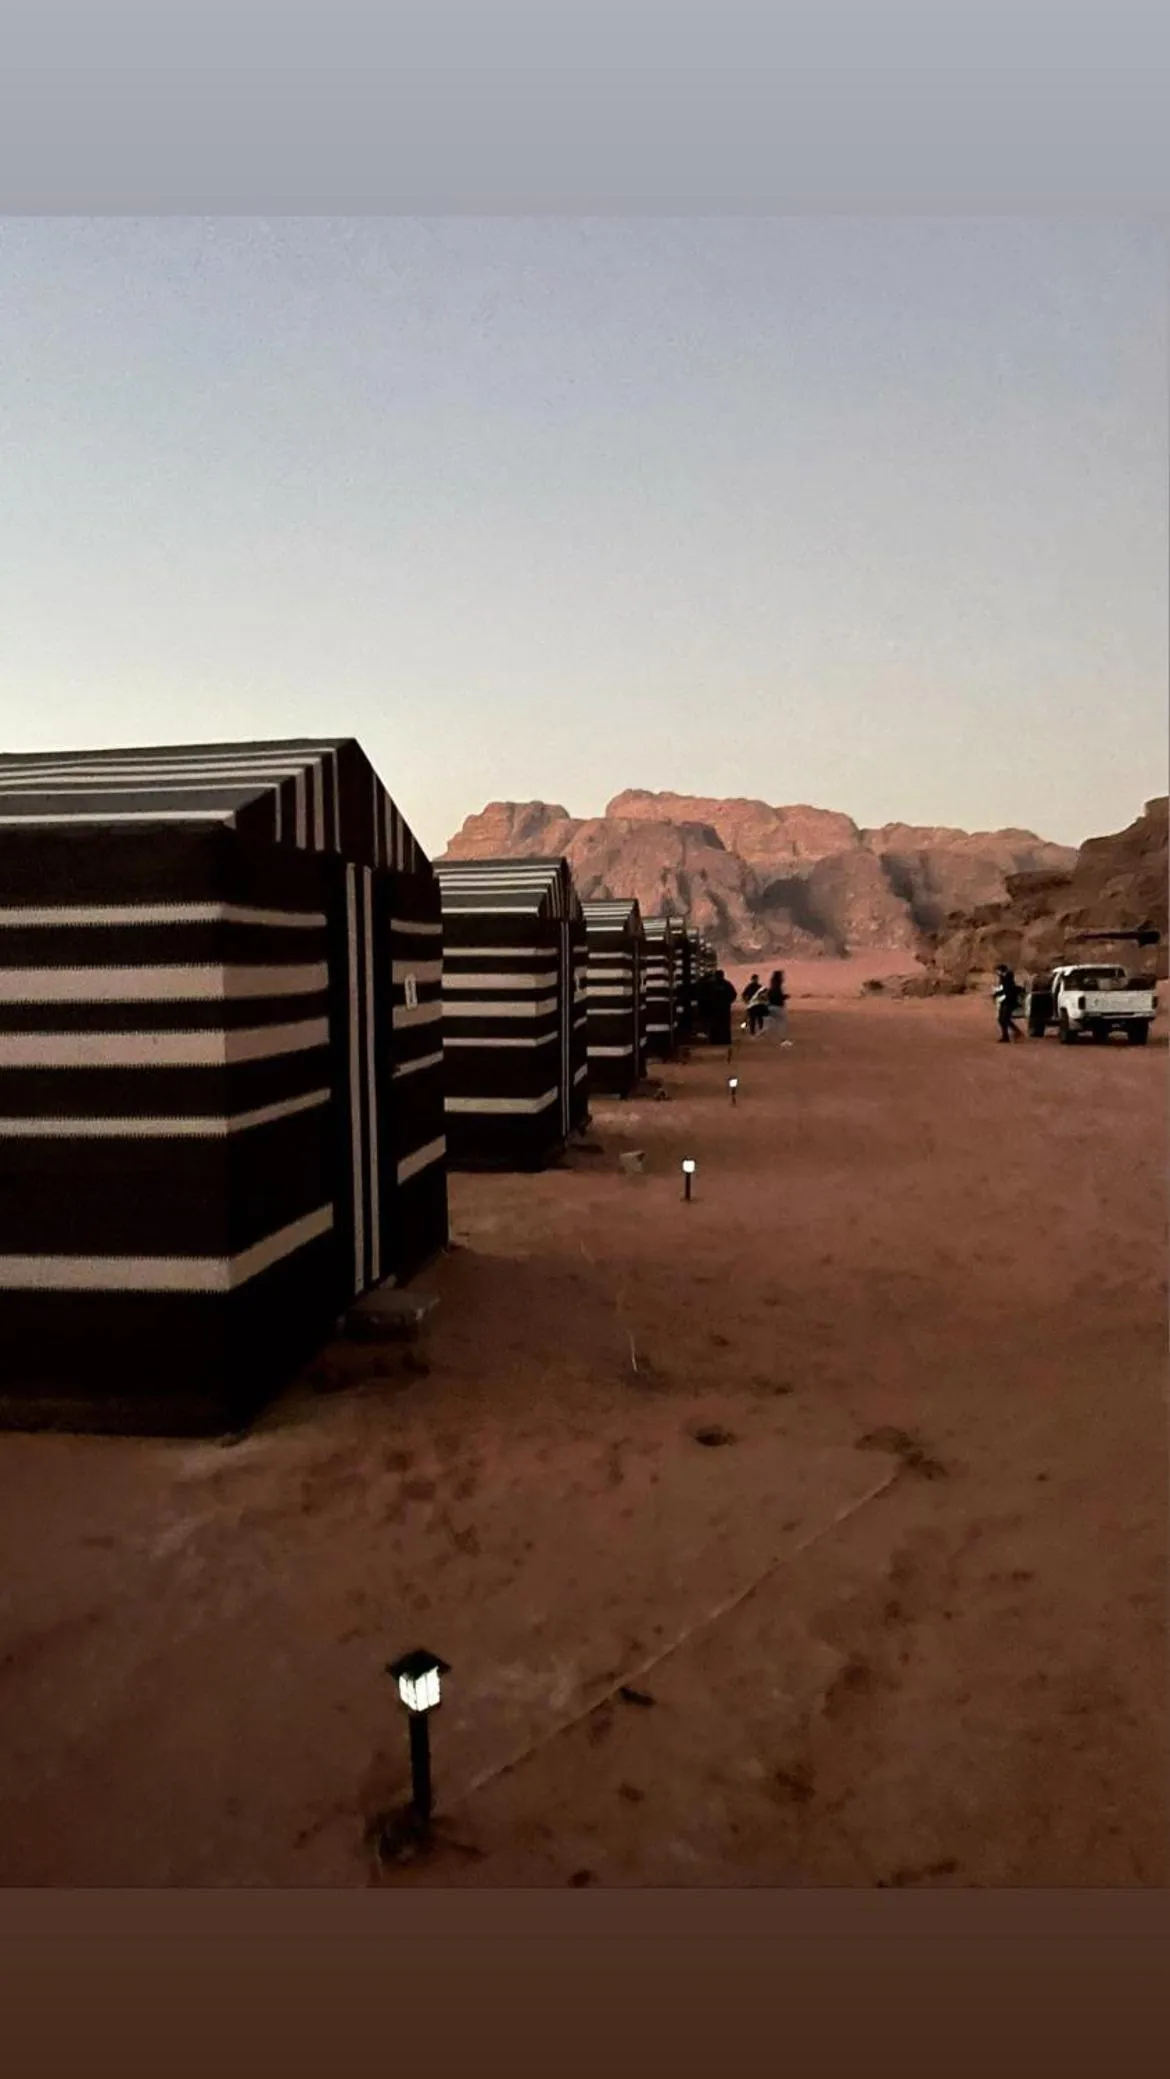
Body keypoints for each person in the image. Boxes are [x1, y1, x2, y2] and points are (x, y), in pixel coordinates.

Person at [708, 968, 738, 1049]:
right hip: (723, 1009)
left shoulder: (712, 985)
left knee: (715, 1025)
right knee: (724, 1025)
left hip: (715, 1009)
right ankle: (724, 1040)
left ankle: (715, 1041)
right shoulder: (726, 984)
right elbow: (734, 994)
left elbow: (706, 996)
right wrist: (728, 1002)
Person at [993, 963, 1023, 1043]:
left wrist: (997, 994)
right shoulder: (1004, 978)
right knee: (1003, 1019)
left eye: (998, 971)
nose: (997, 973)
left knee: (1003, 1019)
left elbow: (1008, 990)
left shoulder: (1007, 978)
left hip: (1010, 1001)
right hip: (1006, 1000)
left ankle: (1011, 1034)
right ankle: (1009, 1034)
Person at [765, 969, 789, 1039]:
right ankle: (783, 1039)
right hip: (778, 1006)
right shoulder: (778, 987)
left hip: (770, 1006)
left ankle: (760, 1034)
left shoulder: (772, 985)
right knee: (782, 1022)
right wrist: (785, 996)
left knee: (770, 1023)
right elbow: (778, 997)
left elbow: (769, 995)